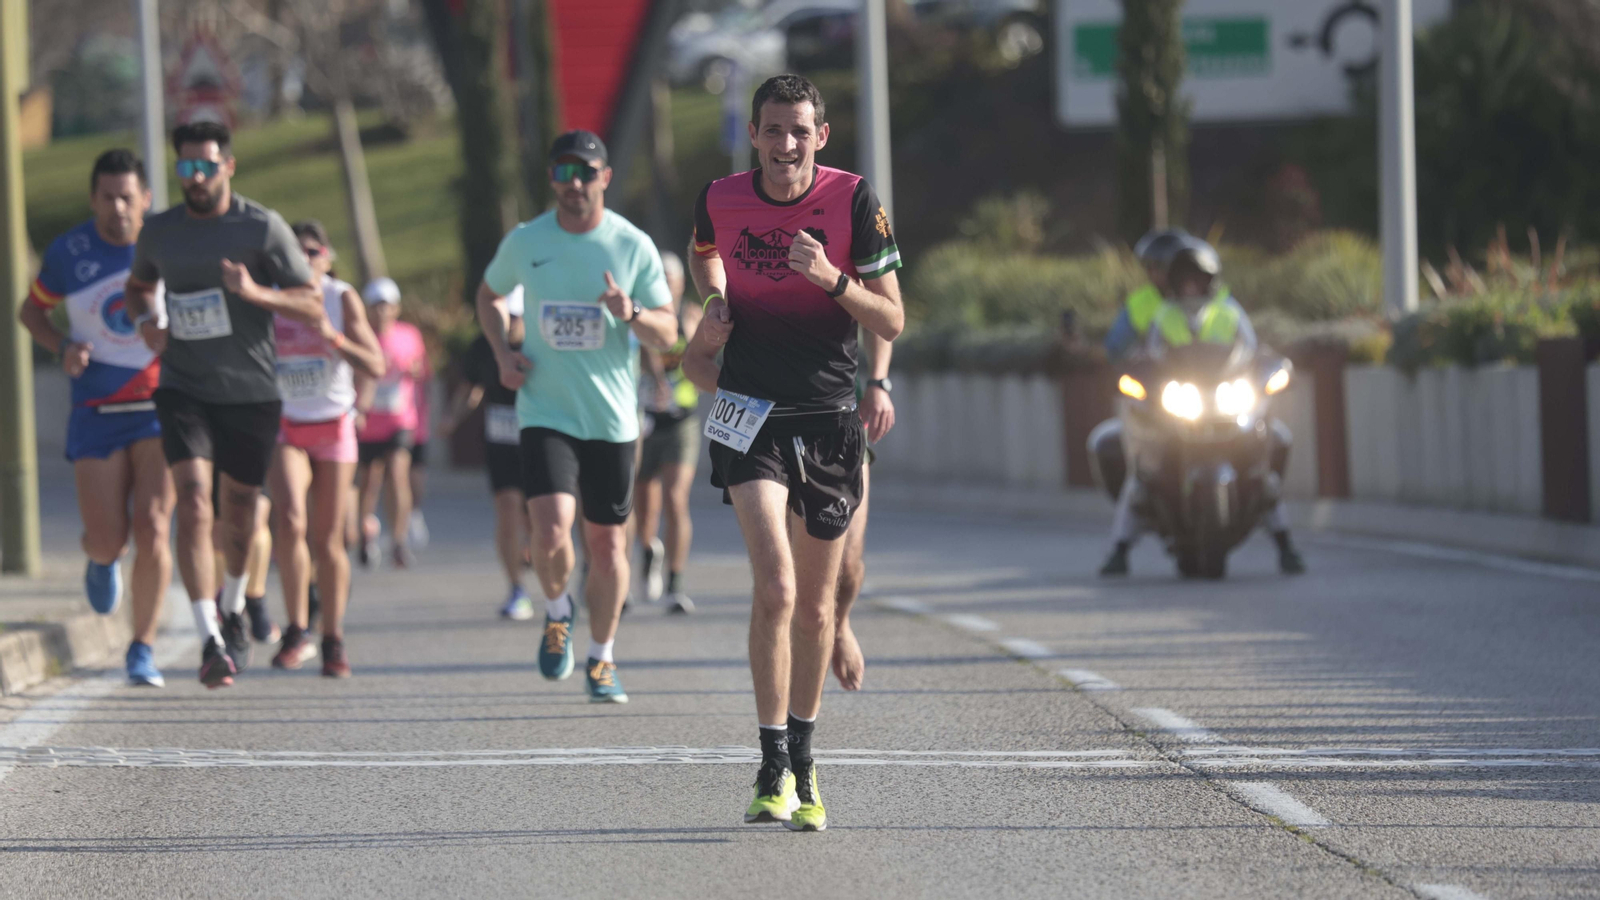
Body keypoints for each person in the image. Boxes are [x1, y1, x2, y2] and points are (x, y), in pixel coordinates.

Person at [684, 74, 903, 832]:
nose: (785, 145)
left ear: (821, 136)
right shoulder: (721, 194)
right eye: (772, 131)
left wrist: (832, 279)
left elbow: (893, 316)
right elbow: (704, 249)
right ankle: (770, 762)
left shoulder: (852, 201)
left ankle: (805, 765)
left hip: (829, 414)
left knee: (816, 605)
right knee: (775, 589)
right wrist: (715, 298)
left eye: (798, 132)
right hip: (748, 409)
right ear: (754, 135)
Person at [477, 130, 677, 705]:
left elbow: (669, 331)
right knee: (549, 527)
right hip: (545, 409)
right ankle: (558, 611)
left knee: (610, 548)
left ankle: (603, 657)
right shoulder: (527, 240)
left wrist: (631, 310)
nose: (575, 184)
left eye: (586, 173)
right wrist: (501, 355)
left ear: (605, 179)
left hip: (613, 420)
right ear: (551, 180)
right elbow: (488, 296)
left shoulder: (632, 246)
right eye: (563, 173)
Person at [123, 121, 325, 688]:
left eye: (205, 166)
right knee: (192, 501)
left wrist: (254, 292)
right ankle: (208, 635)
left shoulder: (260, 228)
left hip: (251, 392)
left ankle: (234, 605)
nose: (195, 177)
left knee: (239, 513)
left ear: (228, 166)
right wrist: (147, 321)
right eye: (185, 167)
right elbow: (139, 286)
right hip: (184, 386)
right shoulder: (160, 231)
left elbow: (311, 304)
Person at [18, 149, 174, 687]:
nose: (118, 208)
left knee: (154, 527)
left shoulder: (168, 245)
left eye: (128, 197)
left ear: (145, 199)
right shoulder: (70, 251)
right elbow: (30, 311)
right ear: (93, 199)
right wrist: (61, 344)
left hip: (160, 405)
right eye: (107, 197)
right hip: (97, 407)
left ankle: (142, 647)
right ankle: (101, 558)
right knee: (108, 538)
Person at [1099, 237, 1306, 576]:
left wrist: (1271, 370)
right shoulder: (1162, 313)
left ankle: (1285, 544)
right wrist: (1136, 377)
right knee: (1142, 472)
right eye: (1184, 280)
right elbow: (1142, 354)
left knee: (1262, 462)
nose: (1191, 287)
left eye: (1198, 279)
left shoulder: (1229, 311)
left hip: (1224, 400)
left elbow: (1251, 352)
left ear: (1212, 280)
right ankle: (1119, 548)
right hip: (1175, 403)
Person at [268, 221, 385, 677]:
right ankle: (298, 628)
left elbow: (377, 363)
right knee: (291, 519)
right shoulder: (270, 298)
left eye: (312, 252)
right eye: (293, 254)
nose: (304, 261)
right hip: (285, 425)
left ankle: (333, 636)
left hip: (334, 426)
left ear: (327, 257)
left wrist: (331, 336)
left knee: (328, 537)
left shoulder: (341, 298)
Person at [445, 288, 534, 620]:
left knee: (539, 520)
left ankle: (535, 554)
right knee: (508, 510)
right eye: (504, 314)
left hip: (539, 440)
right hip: (500, 441)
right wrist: (452, 417)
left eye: (515, 315)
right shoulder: (484, 346)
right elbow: (471, 388)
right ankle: (516, 589)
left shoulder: (543, 346)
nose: (509, 322)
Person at [633, 250, 702, 614]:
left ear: (679, 284)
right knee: (643, 510)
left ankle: (675, 584)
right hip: (643, 422)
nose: (666, 288)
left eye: (671, 282)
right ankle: (648, 551)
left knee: (676, 499)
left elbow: (709, 359)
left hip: (681, 421)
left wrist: (694, 337)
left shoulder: (691, 315)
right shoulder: (639, 318)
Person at [830, 329, 895, 691]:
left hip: (842, 412)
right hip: (770, 417)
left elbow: (882, 311)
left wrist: (879, 381)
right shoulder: (747, 267)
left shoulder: (843, 269)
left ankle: (839, 625)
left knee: (848, 560)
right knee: (782, 570)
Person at [355, 277, 427, 569]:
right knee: (370, 481)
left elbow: (422, 371)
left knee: (398, 474)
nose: (381, 312)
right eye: (375, 306)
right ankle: (366, 534)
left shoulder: (409, 335)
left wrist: (414, 370)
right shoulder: (359, 335)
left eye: (386, 306)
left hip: (400, 418)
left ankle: (399, 539)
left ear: (396, 308)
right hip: (368, 421)